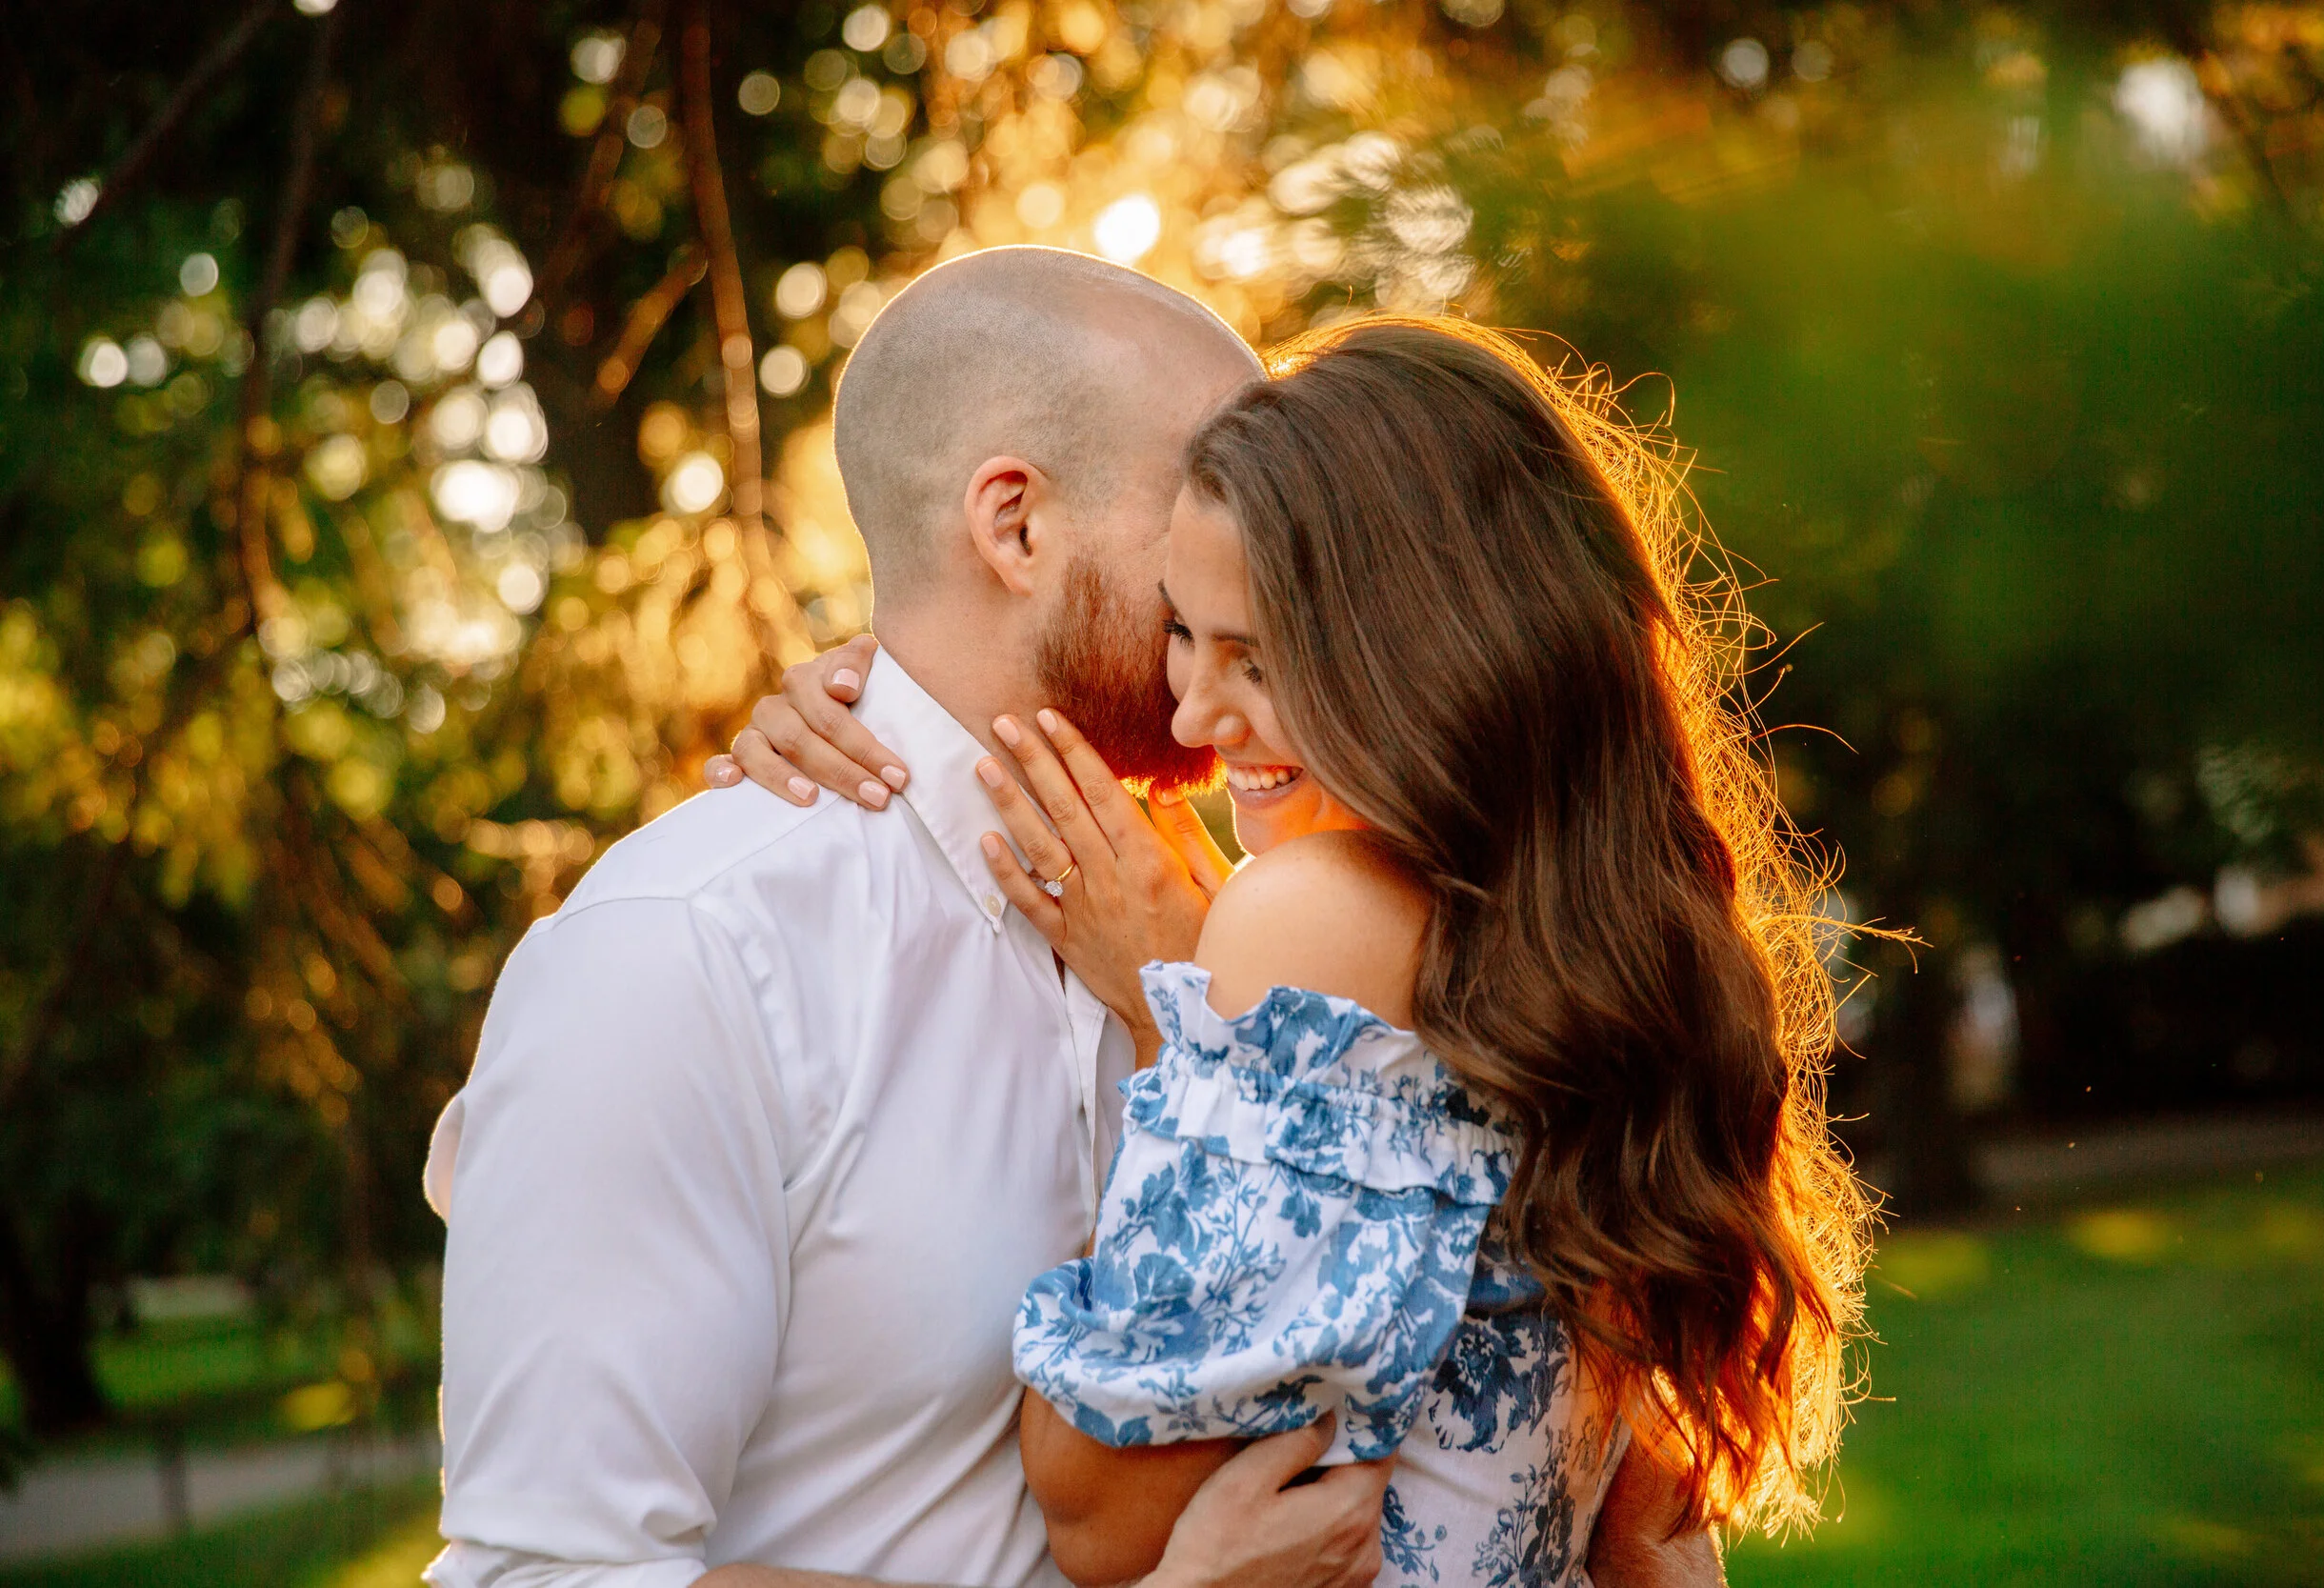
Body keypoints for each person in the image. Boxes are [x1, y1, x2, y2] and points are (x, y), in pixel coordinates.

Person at [713, 317, 1873, 1585]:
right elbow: (1653, 1537)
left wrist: (1182, 1032)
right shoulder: (1594, 945)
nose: (1201, 721)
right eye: (1182, 634)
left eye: (1255, 657)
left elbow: (1102, 1514)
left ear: (1419, 653)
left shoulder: (1304, 915)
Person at [422, 246, 1398, 1588]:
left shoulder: (1236, 916)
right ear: (1014, 527)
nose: (1258, 557)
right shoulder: (683, 949)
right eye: (1205, 497)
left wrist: (1198, 1006)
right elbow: (550, 1577)